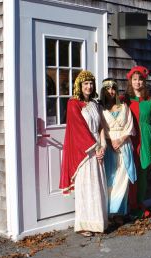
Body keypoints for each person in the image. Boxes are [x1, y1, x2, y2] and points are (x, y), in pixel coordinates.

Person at [59, 70, 108, 236]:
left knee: (97, 186)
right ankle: (83, 225)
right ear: (79, 86)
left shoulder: (95, 104)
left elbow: (101, 126)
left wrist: (103, 145)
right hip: (84, 151)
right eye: (85, 83)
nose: (89, 86)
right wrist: (95, 148)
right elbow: (79, 129)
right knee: (86, 187)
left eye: (91, 83)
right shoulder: (73, 104)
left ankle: (97, 222)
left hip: (96, 147)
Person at [124, 66, 151, 218]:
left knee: (143, 173)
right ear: (130, 81)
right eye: (135, 79)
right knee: (131, 173)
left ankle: (140, 203)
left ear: (144, 82)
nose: (137, 82)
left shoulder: (150, 101)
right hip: (130, 139)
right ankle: (131, 206)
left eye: (140, 79)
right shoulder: (125, 100)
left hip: (146, 139)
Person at [100, 78, 137, 221]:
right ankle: (109, 212)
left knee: (123, 179)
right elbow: (100, 128)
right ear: (103, 91)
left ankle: (119, 212)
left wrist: (120, 140)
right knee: (110, 179)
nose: (111, 91)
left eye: (113, 88)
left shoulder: (124, 107)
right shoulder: (101, 109)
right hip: (109, 146)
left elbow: (130, 126)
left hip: (124, 145)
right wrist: (110, 141)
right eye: (108, 88)